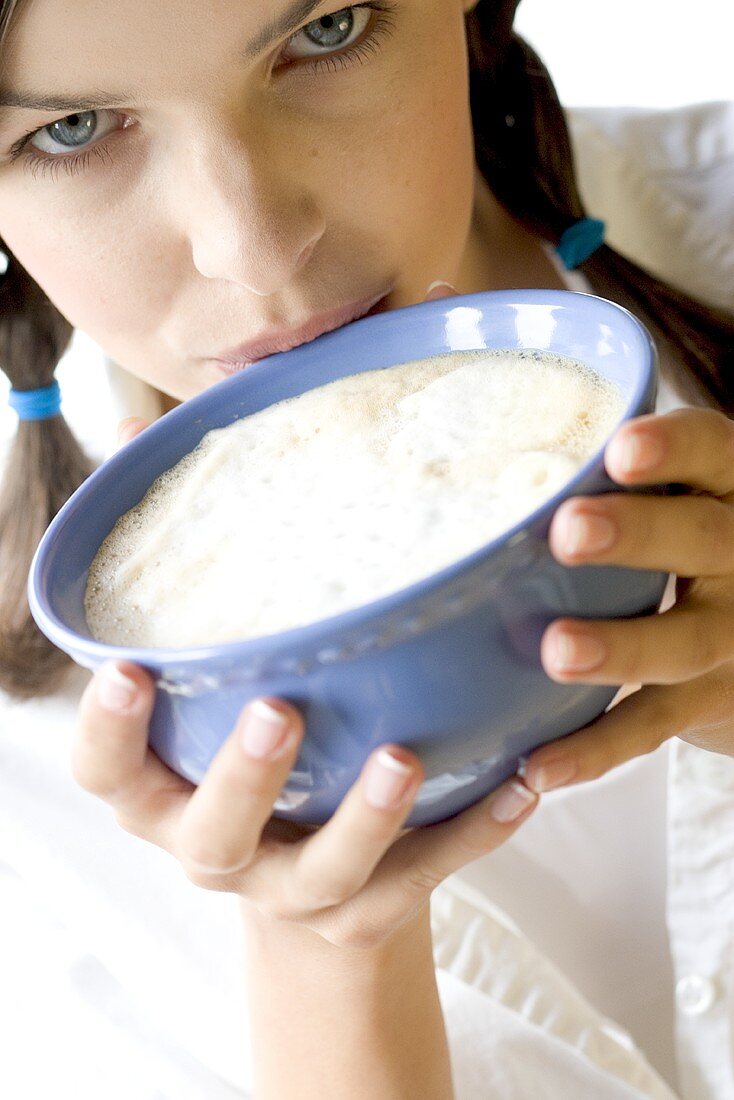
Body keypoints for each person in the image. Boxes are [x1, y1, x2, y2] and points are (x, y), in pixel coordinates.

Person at [0, 0, 732, 1096]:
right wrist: (325, 962)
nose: (251, 247)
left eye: (329, 30)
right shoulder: (34, 782)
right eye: (71, 130)